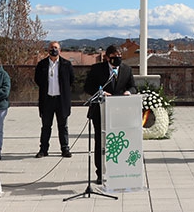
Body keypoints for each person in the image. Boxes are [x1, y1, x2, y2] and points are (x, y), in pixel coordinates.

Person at [83, 45, 136, 184]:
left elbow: (133, 86)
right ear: (107, 57)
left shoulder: (127, 69)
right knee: (100, 143)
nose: (117, 59)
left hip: (119, 112)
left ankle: (119, 171)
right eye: (114, 57)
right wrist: (101, 92)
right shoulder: (97, 69)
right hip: (100, 112)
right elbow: (88, 87)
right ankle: (100, 173)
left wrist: (128, 92)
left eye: (119, 56)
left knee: (118, 141)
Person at [34, 41, 75, 158]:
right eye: (51, 48)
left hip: (61, 100)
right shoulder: (42, 64)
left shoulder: (66, 64)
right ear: (48, 50)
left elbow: (71, 80)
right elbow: (37, 79)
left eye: (56, 48)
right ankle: (43, 149)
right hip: (47, 99)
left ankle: (65, 149)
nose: (54, 50)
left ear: (60, 50)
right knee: (46, 126)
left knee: (63, 126)